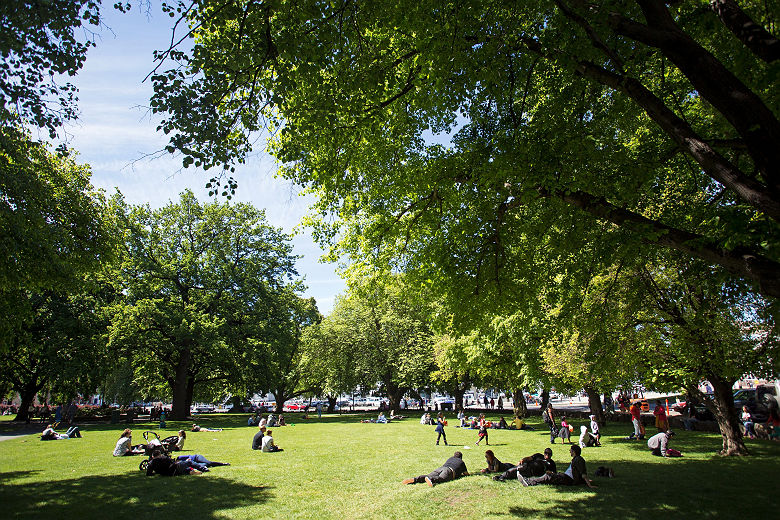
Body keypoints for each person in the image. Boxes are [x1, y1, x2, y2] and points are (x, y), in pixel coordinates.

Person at [518, 445, 596, 488]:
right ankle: (529, 480)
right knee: (550, 475)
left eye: (571, 450)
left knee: (548, 476)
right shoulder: (576, 459)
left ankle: (529, 482)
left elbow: (583, 473)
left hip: (569, 479)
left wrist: (589, 485)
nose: (569, 451)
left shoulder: (579, 459)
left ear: (574, 452)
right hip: (566, 477)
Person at [402, 451, 469, 487]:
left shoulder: (450, 458)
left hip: (441, 468)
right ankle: (431, 479)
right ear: (461, 457)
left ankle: (415, 479)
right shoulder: (461, 461)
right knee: (441, 478)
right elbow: (466, 473)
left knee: (428, 476)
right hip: (449, 471)